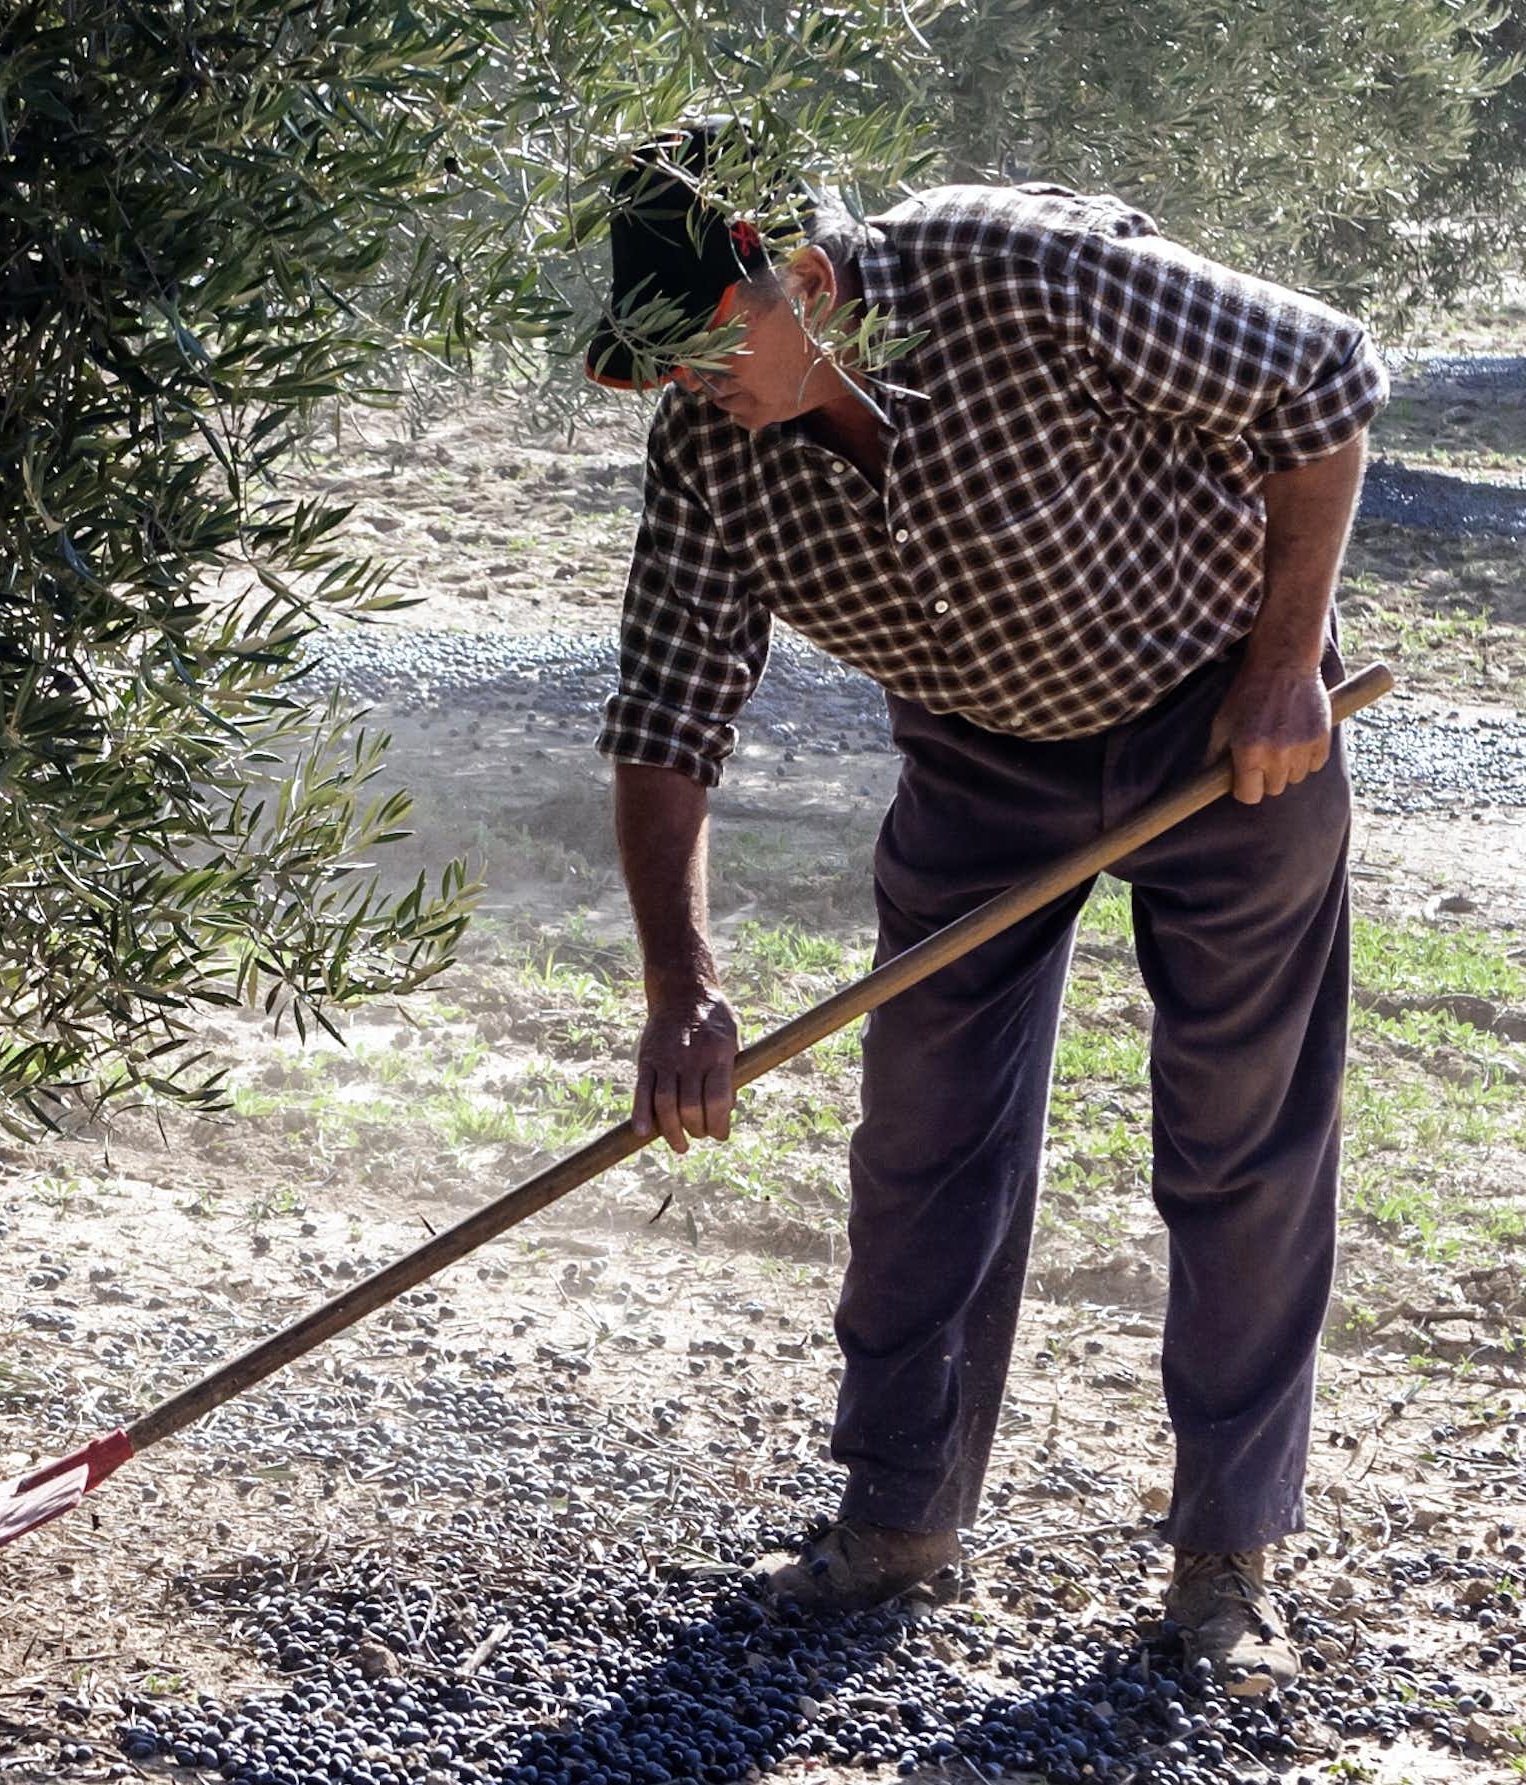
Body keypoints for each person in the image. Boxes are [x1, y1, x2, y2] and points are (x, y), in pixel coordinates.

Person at [589, 122, 1384, 1694]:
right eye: (658, 366)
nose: (687, 387)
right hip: (975, 760)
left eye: (700, 350)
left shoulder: (1021, 271)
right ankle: (898, 1520)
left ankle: (1226, 1555)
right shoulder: (710, 454)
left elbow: (1328, 377)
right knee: (924, 1137)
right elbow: (669, 713)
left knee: (1239, 1133)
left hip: (1223, 726)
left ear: (800, 282)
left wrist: (1288, 663)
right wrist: (678, 981)